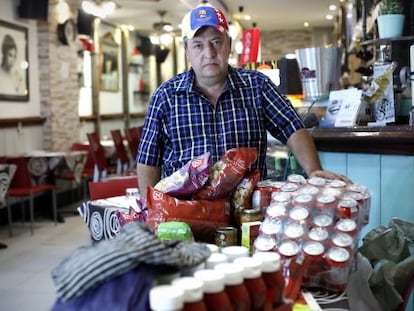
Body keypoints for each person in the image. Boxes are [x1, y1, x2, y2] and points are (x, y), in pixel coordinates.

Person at [136, 4, 350, 199]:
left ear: (228, 45)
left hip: (248, 211)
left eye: (216, 42)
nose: (209, 53)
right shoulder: (165, 96)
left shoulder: (257, 86)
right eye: (198, 45)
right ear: (187, 51)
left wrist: (313, 170)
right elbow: (148, 160)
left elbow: (292, 127)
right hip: (186, 212)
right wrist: (151, 210)